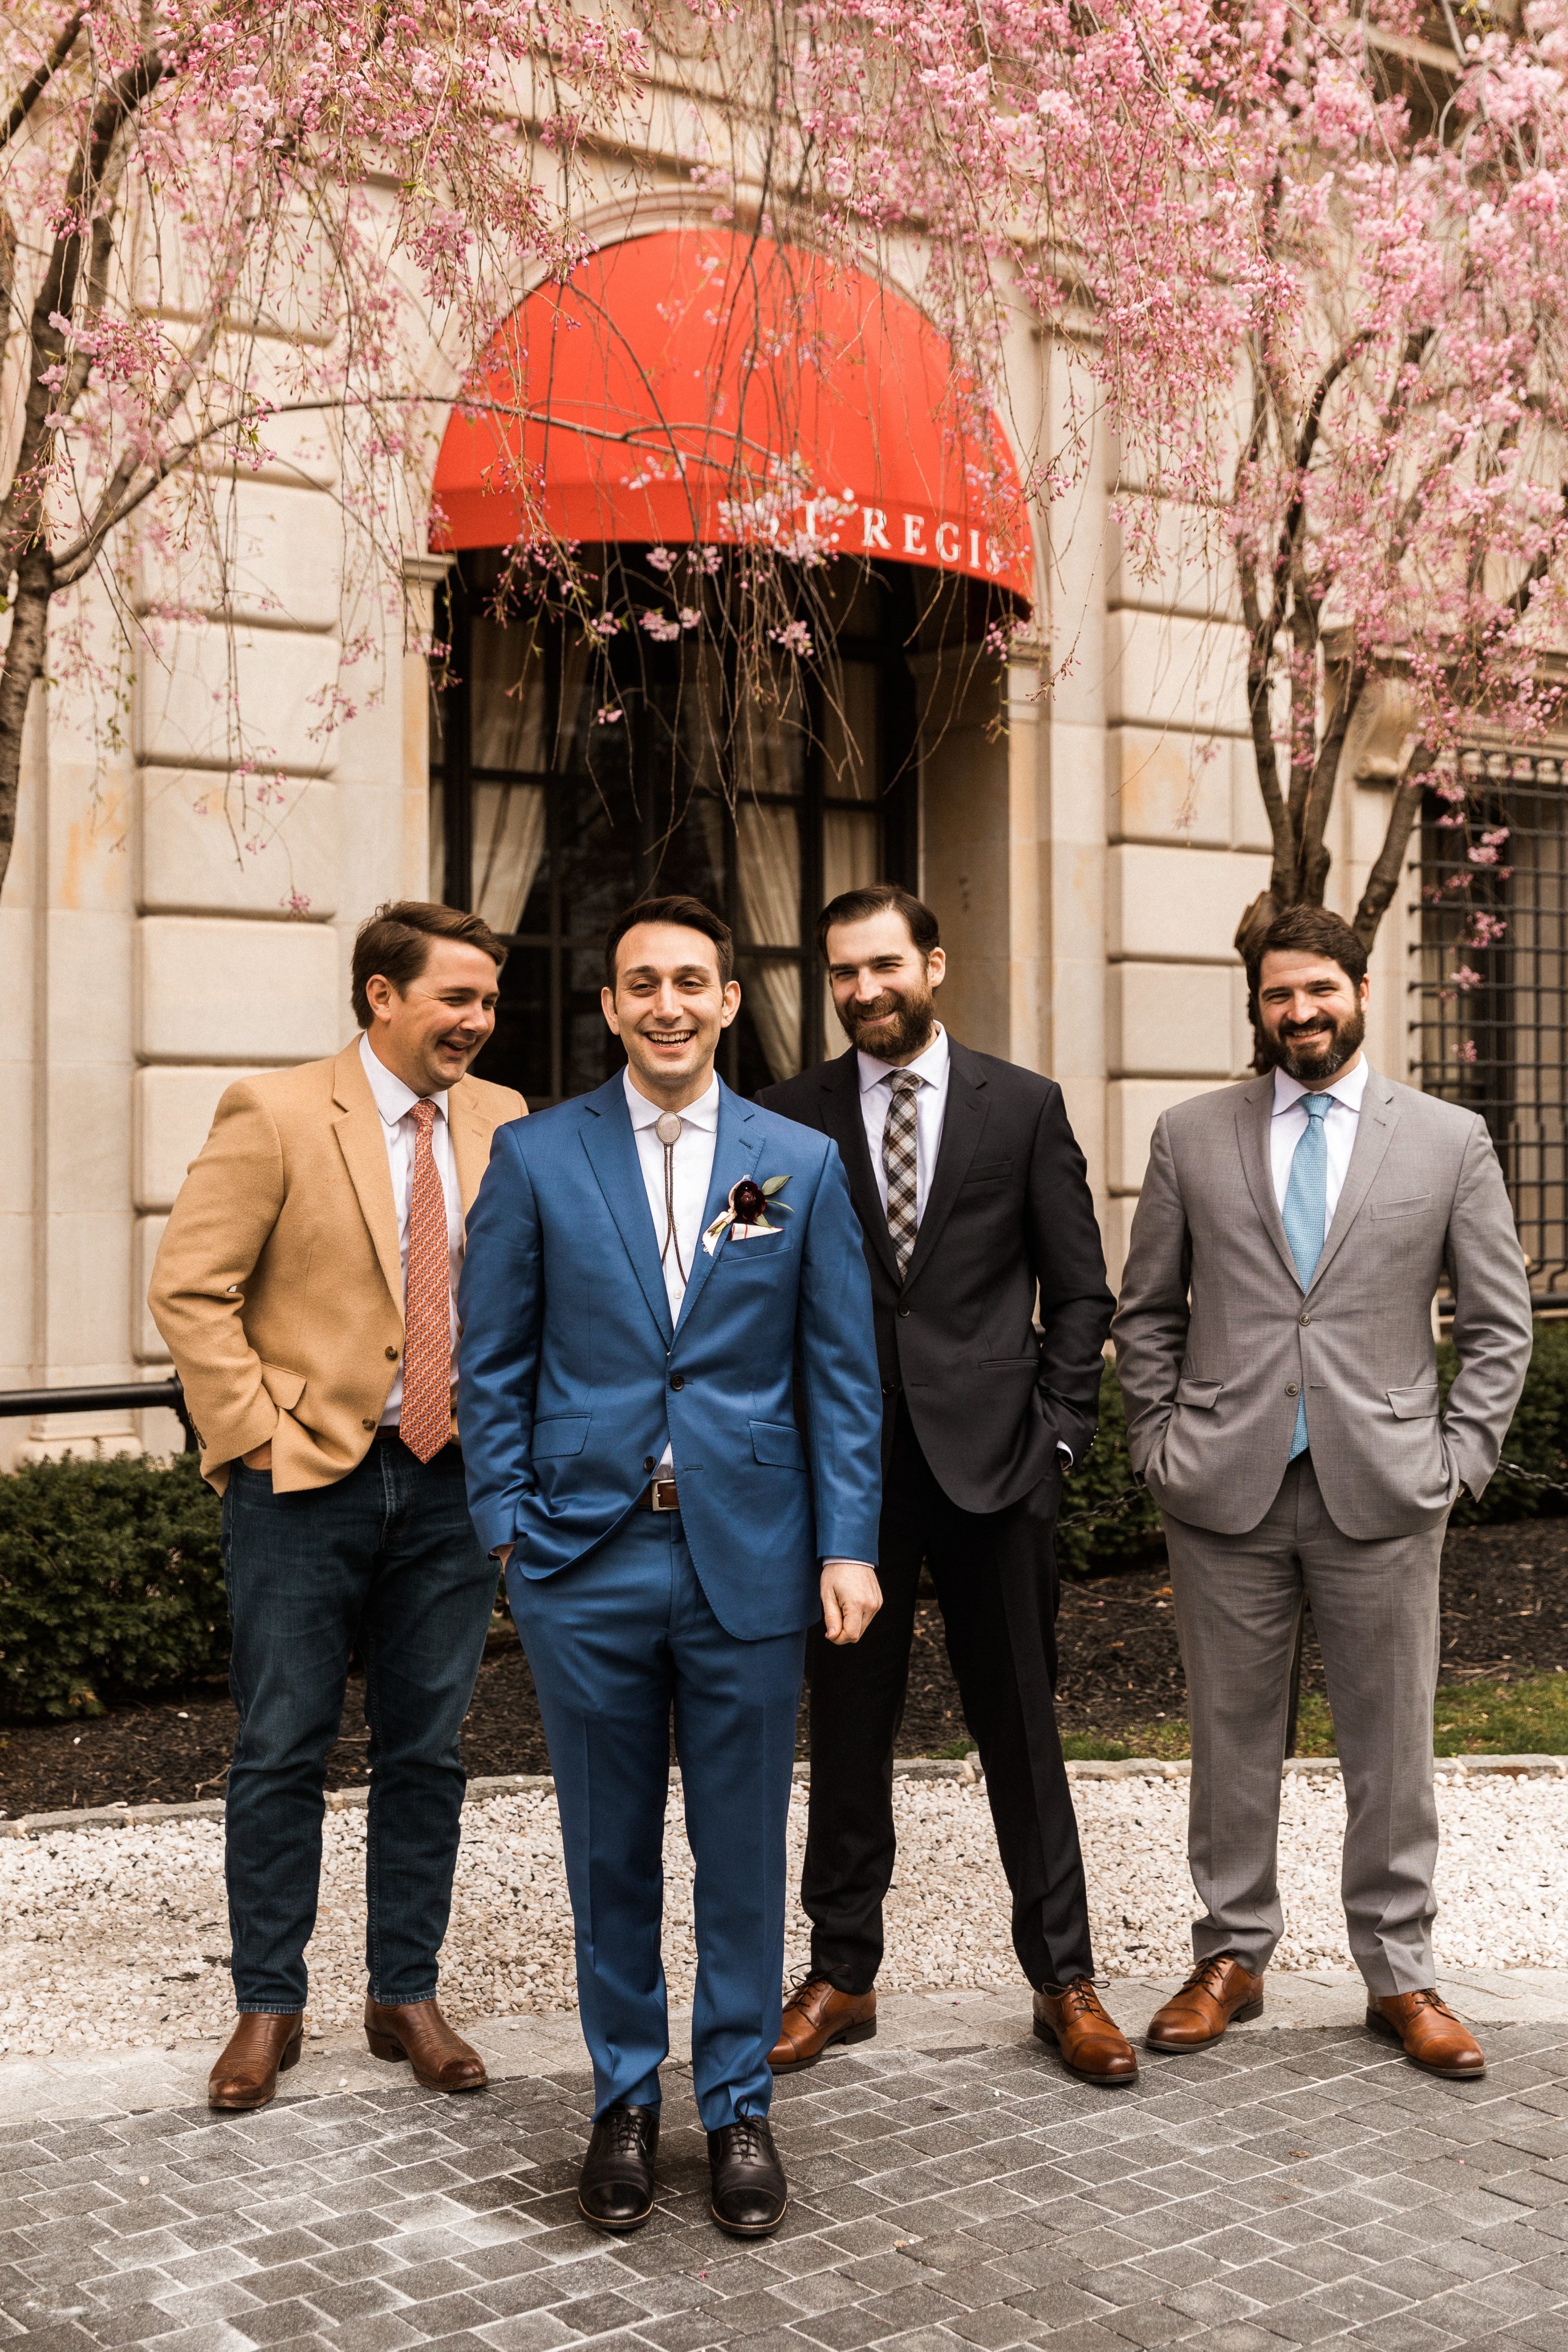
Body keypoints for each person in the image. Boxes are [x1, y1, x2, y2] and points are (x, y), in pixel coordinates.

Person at [458, 895, 882, 2240]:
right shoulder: (534, 1156)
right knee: (609, 1847)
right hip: (584, 1555)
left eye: (689, 980)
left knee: (742, 1845)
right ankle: (625, 2098)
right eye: (639, 981)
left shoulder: (793, 1163)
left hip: (748, 1556)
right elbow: (490, 1362)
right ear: (607, 1006)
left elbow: (839, 1374)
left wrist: (847, 1539)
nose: (666, 1003)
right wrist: (508, 1528)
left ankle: (739, 2101)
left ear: (729, 999)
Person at [1114, 901, 1532, 2077]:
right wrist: (1156, 1441)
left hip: (1386, 1486)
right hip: (1221, 1488)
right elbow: (1144, 1310)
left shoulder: (1446, 1139)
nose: (1298, 1011)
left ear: (1358, 987)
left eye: (1317, 990)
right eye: (1275, 994)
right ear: (1254, 1005)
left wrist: (1455, 1461)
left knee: (1388, 1743)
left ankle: (1397, 1970)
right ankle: (1230, 1955)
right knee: (1226, 1737)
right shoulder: (1190, 1133)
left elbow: (1498, 1327)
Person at [149, 901, 523, 2113]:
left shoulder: (504, 1119)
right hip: (302, 1479)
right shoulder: (274, 1110)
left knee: (427, 1748)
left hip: (452, 1478)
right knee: (279, 1745)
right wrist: (254, 1435)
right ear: (380, 994)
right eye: (455, 997)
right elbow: (189, 1287)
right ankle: (269, 2000)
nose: (477, 1019)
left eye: (485, 1000)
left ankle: (402, 1989)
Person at [758, 884, 1132, 2086]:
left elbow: (1080, 1290)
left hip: (997, 1471)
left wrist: (1060, 1436)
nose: (862, 989)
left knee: (1022, 1728)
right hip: (845, 1484)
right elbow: (754, 1296)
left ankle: (1062, 1977)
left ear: (931, 962)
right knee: (847, 1730)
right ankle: (840, 1972)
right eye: (840, 972)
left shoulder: (1022, 1107)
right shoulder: (785, 1115)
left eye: (882, 964)